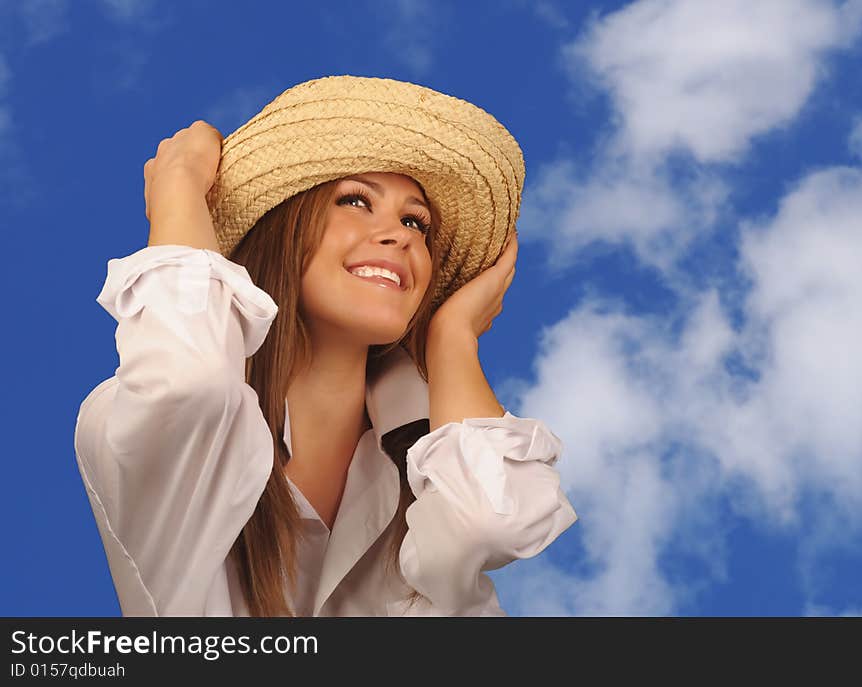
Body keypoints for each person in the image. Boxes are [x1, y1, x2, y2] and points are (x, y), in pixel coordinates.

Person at [74, 75, 579, 617]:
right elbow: (187, 383)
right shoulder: (127, 424)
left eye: (416, 221)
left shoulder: (428, 463)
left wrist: (452, 339)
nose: (401, 235)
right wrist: (176, 189)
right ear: (283, 230)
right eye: (356, 201)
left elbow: (494, 521)